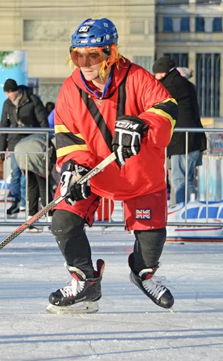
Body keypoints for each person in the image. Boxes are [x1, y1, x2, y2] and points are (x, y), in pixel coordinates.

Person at [48, 18, 177, 313]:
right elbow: (67, 136)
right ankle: (85, 281)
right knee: (63, 222)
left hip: (140, 176)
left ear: (111, 53)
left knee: (152, 239)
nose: (85, 63)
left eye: (92, 55)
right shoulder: (70, 88)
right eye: (77, 55)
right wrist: (74, 167)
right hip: (93, 173)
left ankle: (143, 275)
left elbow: (167, 109)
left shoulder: (137, 77)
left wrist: (143, 123)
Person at [153, 56, 206, 205]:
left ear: (163, 72)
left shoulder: (172, 86)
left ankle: (184, 211)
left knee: (179, 179)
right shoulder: (179, 82)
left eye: (156, 74)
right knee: (184, 179)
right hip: (187, 140)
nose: (155, 78)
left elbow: (155, 103)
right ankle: (186, 210)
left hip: (183, 140)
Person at [0, 78, 49, 217]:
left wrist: (44, 140)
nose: (8, 96)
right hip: (14, 143)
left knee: (29, 174)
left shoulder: (32, 100)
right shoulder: (7, 104)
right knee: (15, 173)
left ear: (16, 91)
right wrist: (2, 148)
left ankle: (28, 202)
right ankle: (15, 201)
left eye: (10, 92)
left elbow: (43, 121)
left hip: (31, 142)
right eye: (6, 93)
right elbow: (4, 125)